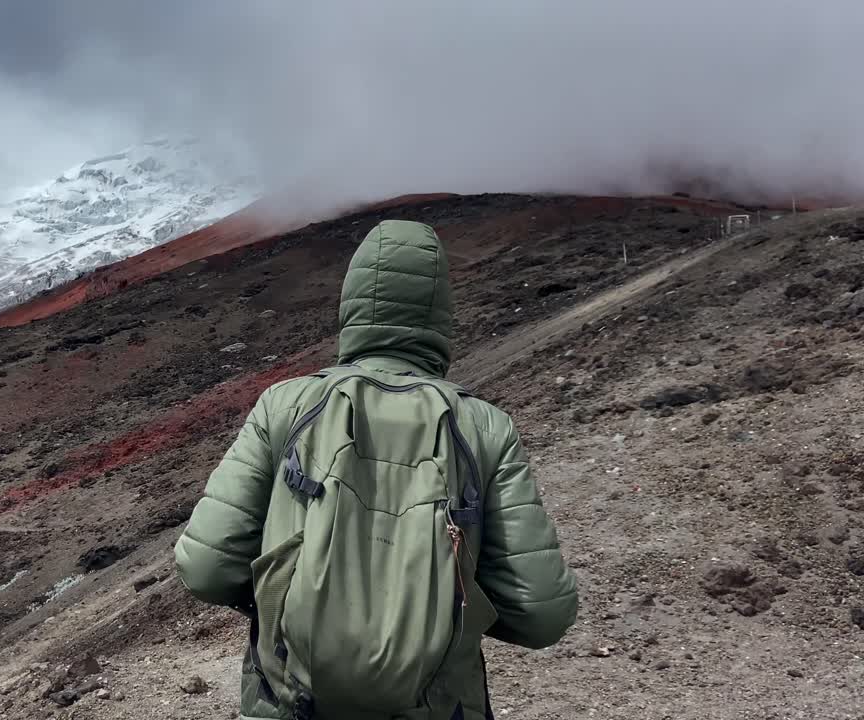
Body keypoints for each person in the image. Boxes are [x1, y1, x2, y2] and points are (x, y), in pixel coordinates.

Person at [174, 220, 578, 720]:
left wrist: (288, 601)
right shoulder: (485, 428)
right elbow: (542, 612)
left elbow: (206, 567)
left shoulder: (285, 406)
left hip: (290, 704)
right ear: (441, 315)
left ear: (352, 305)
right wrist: (443, 614)